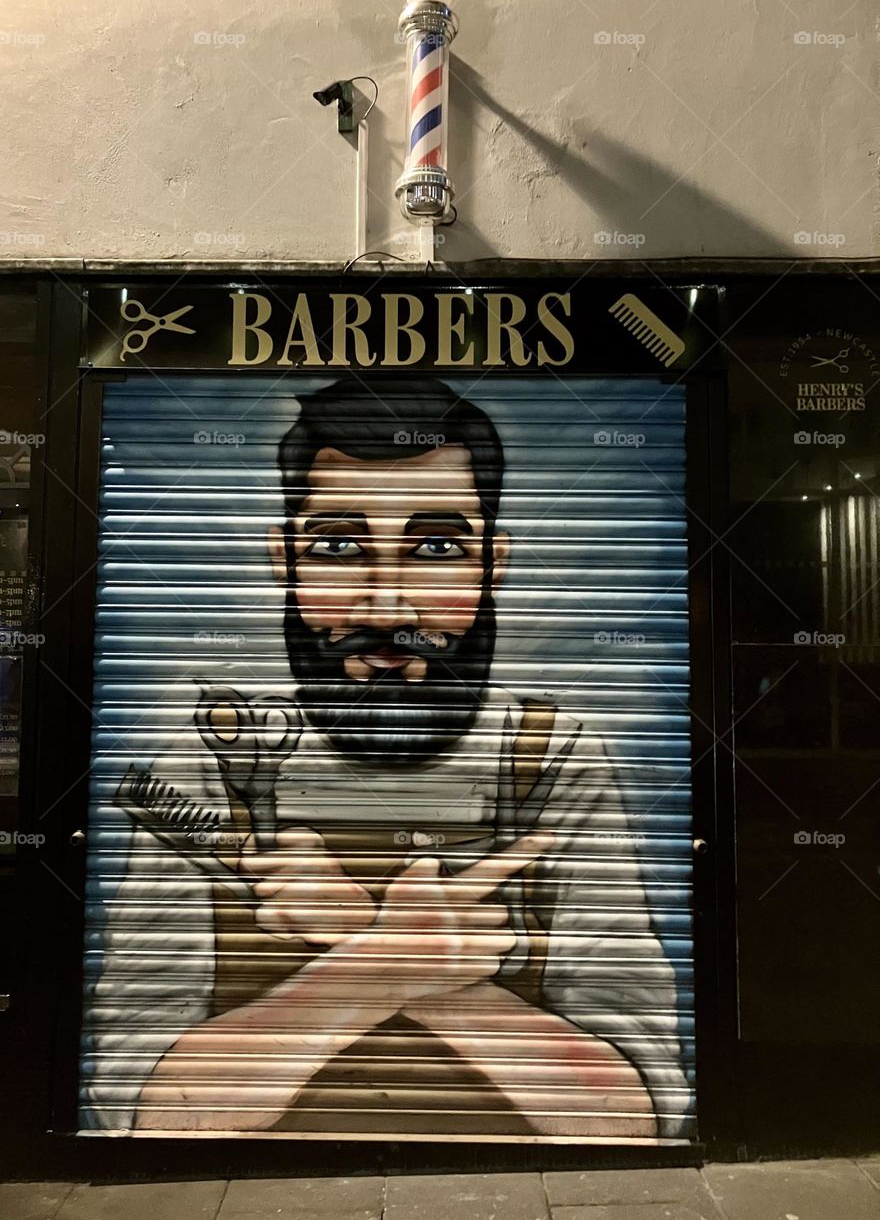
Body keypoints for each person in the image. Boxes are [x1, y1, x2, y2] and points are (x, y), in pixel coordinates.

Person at [82, 376, 692, 1140]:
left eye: (437, 547)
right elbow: (143, 1110)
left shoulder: (550, 760)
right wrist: (385, 963)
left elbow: (631, 1119)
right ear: (284, 560)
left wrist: (366, 939)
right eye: (338, 546)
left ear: (492, 563)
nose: (387, 609)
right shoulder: (213, 758)